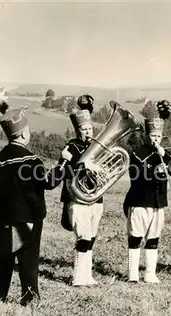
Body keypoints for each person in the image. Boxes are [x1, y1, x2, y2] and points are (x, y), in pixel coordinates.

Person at [0, 105, 69, 305]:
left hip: (4, 219)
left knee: (3, 258)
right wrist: (62, 163)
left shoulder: (0, 159)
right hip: (28, 219)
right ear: (23, 134)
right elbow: (48, 182)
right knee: (28, 260)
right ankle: (29, 297)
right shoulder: (31, 160)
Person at [123, 100, 171, 283]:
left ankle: (150, 273)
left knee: (153, 238)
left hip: (158, 202)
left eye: (158, 136)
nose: (155, 139)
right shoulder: (137, 152)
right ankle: (133, 274)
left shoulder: (165, 154)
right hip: (140, 201)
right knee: (135, 238)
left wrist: (164, 155)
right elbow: (134, 176)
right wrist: (153, 169)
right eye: (152, 136)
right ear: (147, 135)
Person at [59, 95, 104, 286]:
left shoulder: (97, 145)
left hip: (96, 198)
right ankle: (78, 276)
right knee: (83, 237)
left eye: (90, 128)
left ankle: (87, 275)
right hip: (77, 199)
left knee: (91, 238)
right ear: (78, 130)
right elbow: (64, 171)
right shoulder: (71, 146)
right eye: (84, 129)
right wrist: (83, 165)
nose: (88, 132)